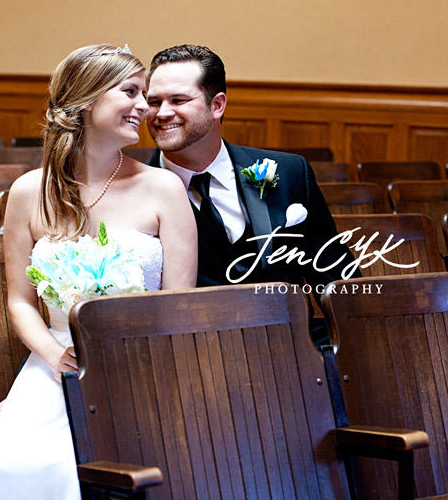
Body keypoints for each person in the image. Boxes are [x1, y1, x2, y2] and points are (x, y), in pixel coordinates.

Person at [0, 44, 197, 500]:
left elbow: (179, 302)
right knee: (5, 464)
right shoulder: (27, 193)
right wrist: (55, 357)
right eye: (131, 92)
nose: (146, 107)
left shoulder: (164, 189)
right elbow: (20, 300)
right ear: (86, 101)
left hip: (145, 365)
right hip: (57, 363)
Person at [145, 44, 355, 319]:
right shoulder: (131, 190)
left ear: (217, 105)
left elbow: (338, 282)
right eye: (153, 102)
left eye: (178, 100)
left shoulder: (290, 172)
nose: (162, 113)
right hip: (193, 353)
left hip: (291, 348)